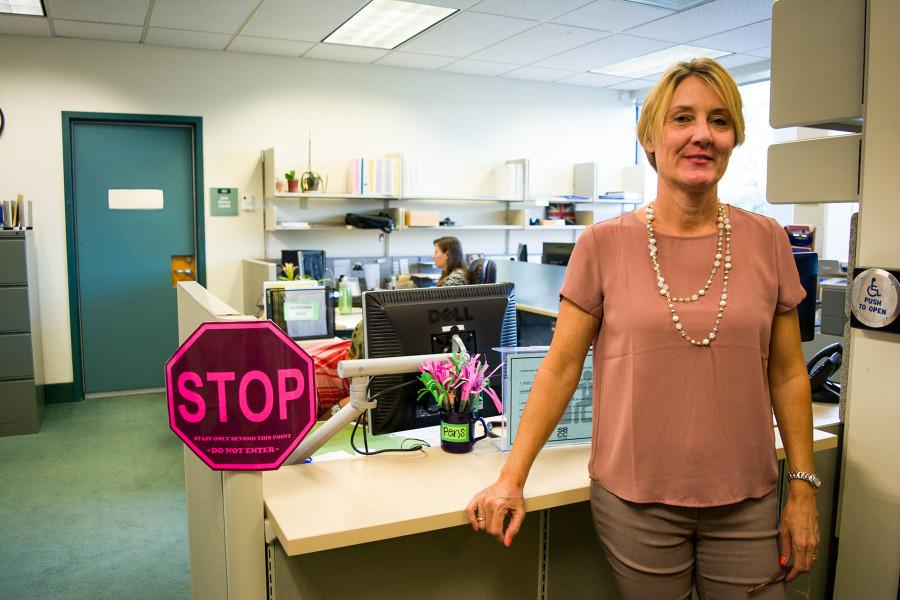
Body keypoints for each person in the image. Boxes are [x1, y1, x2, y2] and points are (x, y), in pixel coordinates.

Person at [466, 58, 819, 599]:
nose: (702, 134)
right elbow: (560, 369)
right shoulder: (602, 245)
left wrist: (803, 489)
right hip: (636, 502)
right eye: (683, 118)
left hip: (747, 499)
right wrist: (513, 474)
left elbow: (790, 373)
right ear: (651, 137)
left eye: (719, 121)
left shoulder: (768, 239)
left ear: (734, 138)